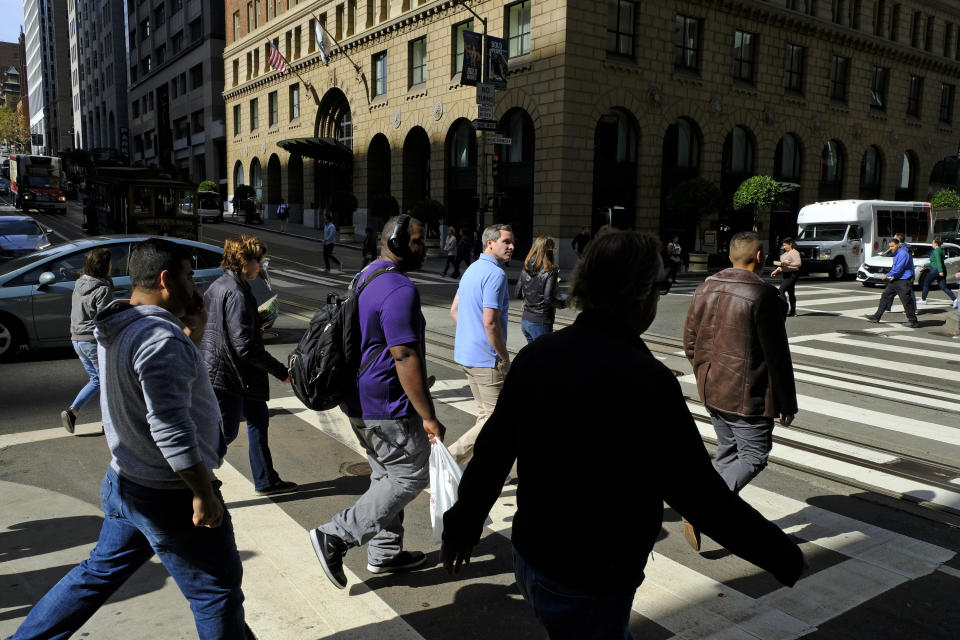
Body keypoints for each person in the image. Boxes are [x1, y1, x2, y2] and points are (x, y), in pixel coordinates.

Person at [440, 231, 805, 640]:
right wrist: (782, 555)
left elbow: (493, 450)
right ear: (641, 296)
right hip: (592, 575)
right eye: (659, 287)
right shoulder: (648, 381)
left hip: (532, 556)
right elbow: (701, 496)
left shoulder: (537, 357)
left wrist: (463, 524)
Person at [8, 239, 250, 639]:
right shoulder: (160, 339)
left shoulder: (121, 322)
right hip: (169, 494)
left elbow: (152, 386)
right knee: (216, 594)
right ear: (166, 279)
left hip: (127, 481)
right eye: (190, 277)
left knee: (97, 574)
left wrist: (194, 332)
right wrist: (203, 493)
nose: (196, 288)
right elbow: (169, 425)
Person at [309, 215, 445, 589]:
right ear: (399, 244)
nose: (424, 247)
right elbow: (403, 356)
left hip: (357, 400)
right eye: (418, 241)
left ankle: (385, 553)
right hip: (386, 404)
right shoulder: (399, 288)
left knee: (386, 475)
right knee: (409, 474)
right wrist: (428, 416)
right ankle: (335, 536)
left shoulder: (365, 275)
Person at [683, 231, 798, 550]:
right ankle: (701, 508)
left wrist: (705, 373)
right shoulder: (765, 295)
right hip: (748, 395)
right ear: (759, 257)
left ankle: (703, 503)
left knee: (729, 452)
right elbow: (777, 356)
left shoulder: (706, 286)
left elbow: (690, 342)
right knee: (753, 455)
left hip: (712, 387)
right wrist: (786, 402)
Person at [200, 235, 297, 497]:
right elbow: (243, 346)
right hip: (230, 374)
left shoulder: (219, 285)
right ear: (245, 262)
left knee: (258, 419)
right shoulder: (237, 293)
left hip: (232, 370)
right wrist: (281, 371)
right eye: (259, 261)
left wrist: (255, 322)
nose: (261, 267)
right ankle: (189, 482)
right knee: (225, 434)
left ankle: (266, 479)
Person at [447, 224, 515, 465]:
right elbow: (491, 322)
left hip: (467, 354)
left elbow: (455, 310)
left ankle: (485, 464)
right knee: (495, 419)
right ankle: (449, 458)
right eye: (506, 241)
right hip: (487, 359)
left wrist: (471, 332)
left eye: (511, 242)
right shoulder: (496, 274)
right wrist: (503, 356)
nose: (511, 247)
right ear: (490, 243)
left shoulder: (472, 269)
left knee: (486, 415)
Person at [61, 247, 115, 434]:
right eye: (110, 262)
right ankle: (107, 423)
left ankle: (73, 411)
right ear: (105, 266)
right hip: (92, 340)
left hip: (77, 339)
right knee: (105, 382)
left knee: (97, 379)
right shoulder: (103, 289)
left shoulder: (79, 282)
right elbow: (104, 320)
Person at [515, 235, 565, 344]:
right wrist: (563, 304)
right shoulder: (550, 271)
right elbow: (548, 299)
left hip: (526, 321)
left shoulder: (526, 268)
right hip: (541, 322)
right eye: (554, 249)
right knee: (544, 357)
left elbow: (517, 293)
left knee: (534, 355)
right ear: (549, 251)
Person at [865, 237, 919, 328]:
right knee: (885, 295)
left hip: (904, 280)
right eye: (890, 246)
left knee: (906, 301)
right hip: (897, 279)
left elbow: (898, 269)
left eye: (893, 246)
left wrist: (887, 275)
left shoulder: (903, 253)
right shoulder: (897, 253)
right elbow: (895, 268)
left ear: (898, 245)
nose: (891, 248)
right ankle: (876, 317)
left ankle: (913, 321)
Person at [919, 237, 956, 307]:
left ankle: (923, 300)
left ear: (936, 244)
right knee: (943, 287)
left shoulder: (936, 251)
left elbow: (938, 262)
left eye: (932, 243)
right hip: (941, 269)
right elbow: (936, 262)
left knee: (926, 283)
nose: (931, 244)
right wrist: (925, 265)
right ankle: (955, 300)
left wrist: (940, 271)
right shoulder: (941, 250)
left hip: (936, 270)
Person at [771, 236, 802, 317]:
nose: (784, 247)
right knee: (791, 293)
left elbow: (798, 263)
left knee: (781, 291)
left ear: (790, 244)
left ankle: (785, 309)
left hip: (792, 274)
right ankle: (793, 311)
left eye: (785, 245)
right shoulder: (785, 253)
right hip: (786, 274)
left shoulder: (794, 252)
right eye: (783, 245)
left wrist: (788, 264)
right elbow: (782, 264)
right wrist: (776, 271)